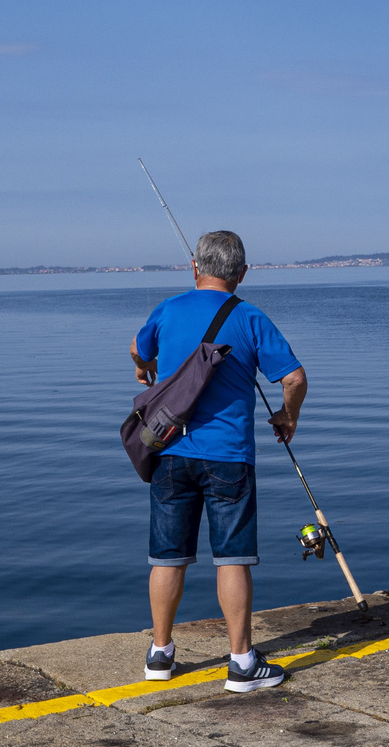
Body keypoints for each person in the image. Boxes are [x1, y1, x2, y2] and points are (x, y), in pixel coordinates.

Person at [129, 230, 306, 692]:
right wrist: (288, 416)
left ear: (194, 267)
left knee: (167, 559)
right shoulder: (249, 317)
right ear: (242, 273)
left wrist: (143, 370)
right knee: (233, 559)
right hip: (228, 457)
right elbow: (293, 378)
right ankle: (242, 663)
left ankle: (161, 655)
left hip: (169, 452)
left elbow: (137, 348)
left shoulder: (167, 310)